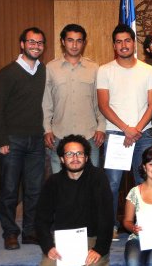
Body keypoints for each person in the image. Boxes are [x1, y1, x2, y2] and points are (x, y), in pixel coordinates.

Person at [36, 135, 113, 266]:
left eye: (79, 153)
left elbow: (107, 216)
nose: (75, 157)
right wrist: (47, 246)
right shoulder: (53, 182)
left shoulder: (98, 178)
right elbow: (41, 219)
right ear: (61, 159)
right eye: (69, 154)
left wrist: (100, 249)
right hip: (63, 240)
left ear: (87, 157)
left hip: (92, 238)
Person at [97, 24, 152, 238]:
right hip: (115, 134)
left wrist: (136, 129)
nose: (123, 45)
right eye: (119, 41)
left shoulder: (148, 70)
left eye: (127, 40)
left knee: (144, 181)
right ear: (114, 46)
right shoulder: (104, 70)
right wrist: (126, 129)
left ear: (134, 43)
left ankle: (145, 226)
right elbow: (103, 105)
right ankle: (111, 227)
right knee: (112, 183)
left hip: (143, 134)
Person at [0, 27, 47, 249]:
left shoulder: (44, 71)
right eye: (31, 42)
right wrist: (2, 140)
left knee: (35, 190)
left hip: (37, 140)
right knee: (9, 190)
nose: (36, 46)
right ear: (22, 44)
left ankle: (30, 231)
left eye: (40, 43)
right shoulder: (7, 73)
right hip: (12, 141)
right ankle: (10, 233)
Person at [43, 24, 106, 173]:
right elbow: (46, 103)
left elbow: (100, 101)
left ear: (84, 43)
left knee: (91, 179)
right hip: (59, 134)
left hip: (90, 135)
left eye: (79, 41)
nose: (74, 45)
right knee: (59, 180)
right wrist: (47, 129)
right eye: (70, 40)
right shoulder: (51, 68)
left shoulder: (94, 68)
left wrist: (101, 127)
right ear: (63, 42)